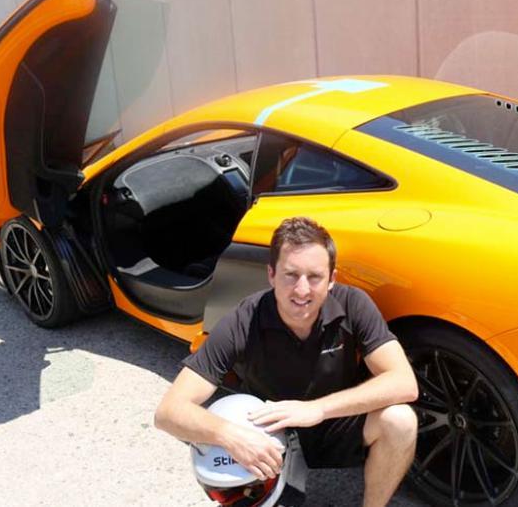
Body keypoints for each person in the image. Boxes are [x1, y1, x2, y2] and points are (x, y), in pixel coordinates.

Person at [155, 217, 419, 507]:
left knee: (401, 420)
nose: (301, 290)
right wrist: (232, 437)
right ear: (271, 274)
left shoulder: (353, 303)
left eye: (314, 276)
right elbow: (169, 412)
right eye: (290, 275)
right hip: (272, 435)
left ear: (332, 279)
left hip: (333, 422)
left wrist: (317, 409)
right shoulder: (244, 319)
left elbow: (404, 382)